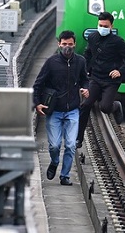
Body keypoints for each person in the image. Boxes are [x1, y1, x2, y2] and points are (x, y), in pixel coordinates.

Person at [33, 30, 90, 186]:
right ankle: (54, 161)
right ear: (59, 44)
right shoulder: (51, 63)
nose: (67, 47)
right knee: (55, 145)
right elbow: (38, 84)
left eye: (70, 44)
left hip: (73, 110)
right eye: (64, 44)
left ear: (74, 44)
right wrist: (37, 103)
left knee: (71, 145)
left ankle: (65, 175)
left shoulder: (80, 61)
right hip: (55, 111)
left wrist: (86, 88)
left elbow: (85, 79)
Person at [77, 11, 125, 147]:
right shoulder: (92, 37)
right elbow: (88, 53)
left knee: (105, 107)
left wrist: (120, 71)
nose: (102, 28)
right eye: (100, 25)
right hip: (95, 77)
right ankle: (78, 138)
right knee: (86, 105)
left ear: (111, 26)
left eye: (105, 26)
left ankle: (116, 106)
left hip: (111, 80)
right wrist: (86, 70)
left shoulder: (118, 42)